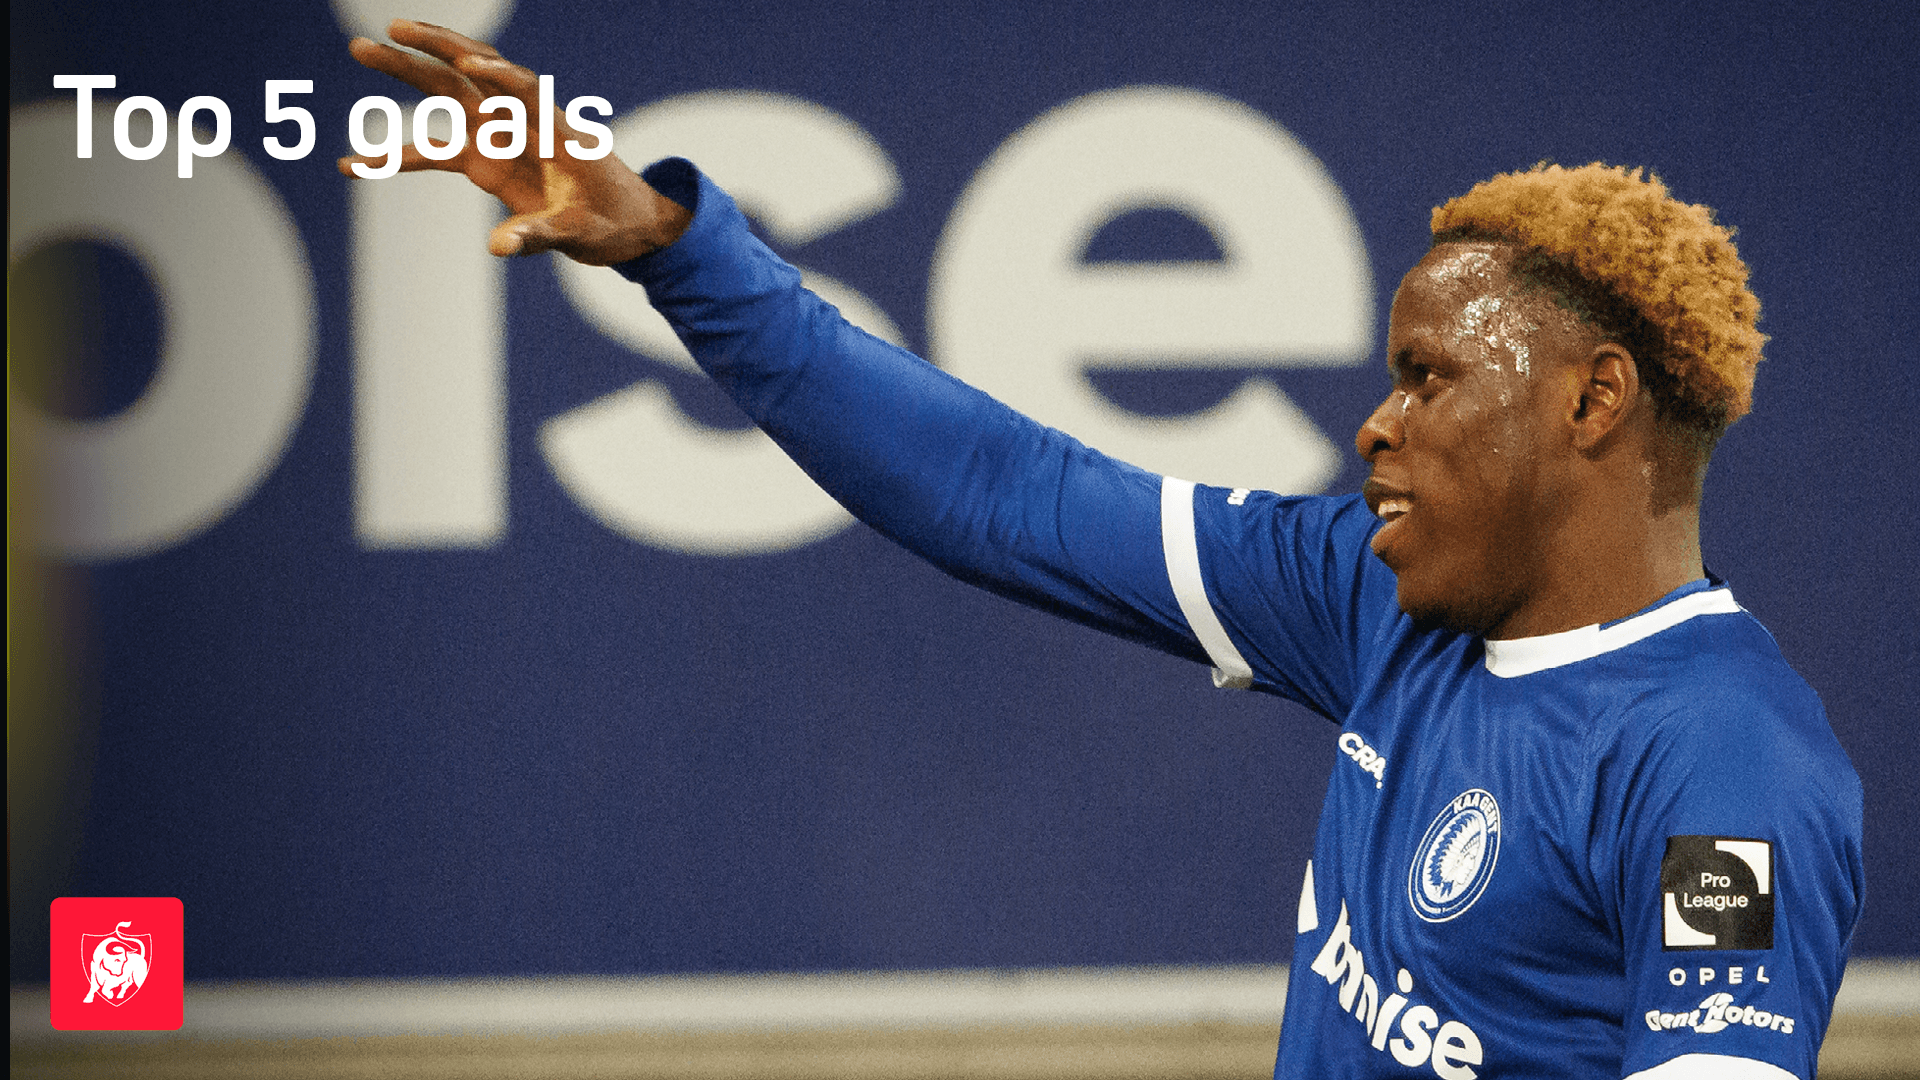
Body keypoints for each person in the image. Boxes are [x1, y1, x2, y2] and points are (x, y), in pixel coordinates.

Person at [344, 21, 1864, 1079]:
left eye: (1427, 377)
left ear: (1594, 401)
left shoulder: (1725, 773)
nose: (1376, 426)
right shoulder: (1377, 603)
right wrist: (683, 253)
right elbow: (1002, 490)